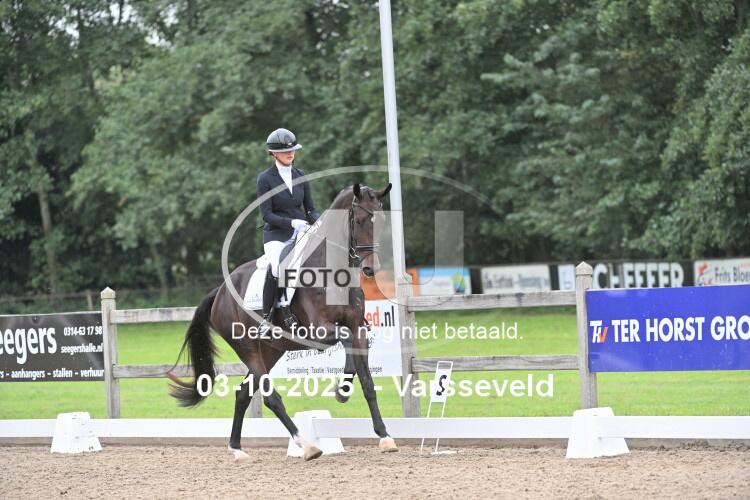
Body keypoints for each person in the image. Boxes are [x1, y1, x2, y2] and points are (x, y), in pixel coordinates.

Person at [256, 128, 319, 334]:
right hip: (277, 235)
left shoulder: (300, 175)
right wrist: (291, 223)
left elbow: (310, 209)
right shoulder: (265, 179)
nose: (290, 153)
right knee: (277, 267)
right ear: (274, 153)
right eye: (285, 151)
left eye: (292, 150)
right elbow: (267, 214)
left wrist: (319, 222)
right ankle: (267, 317)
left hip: (302, 232)